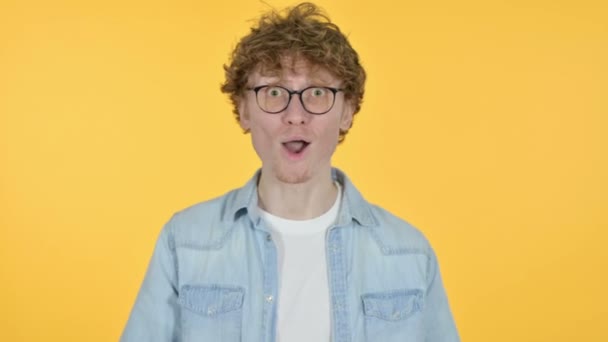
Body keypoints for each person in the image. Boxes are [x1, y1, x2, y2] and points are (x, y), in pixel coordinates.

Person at [121, 2, 459, 341]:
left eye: (316, 92)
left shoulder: (409, 254)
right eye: (273, 92)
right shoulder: (184, 242)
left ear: (348, 111)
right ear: (243, 110)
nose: (295, 115)